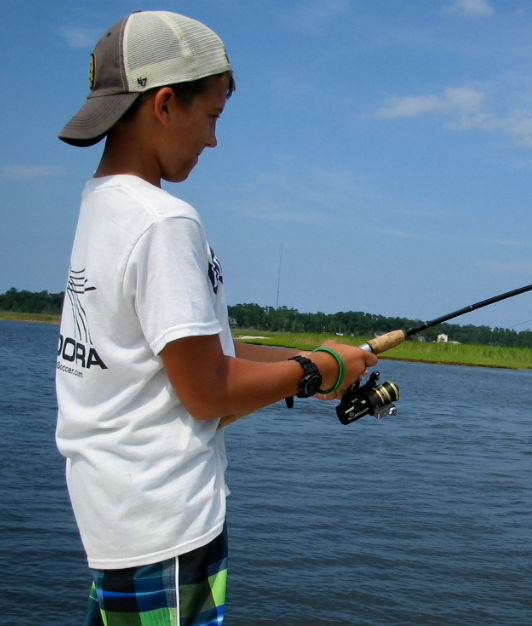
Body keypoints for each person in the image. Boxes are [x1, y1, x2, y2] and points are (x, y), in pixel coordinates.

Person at [54, 10, 378, 626]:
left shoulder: (101, 207)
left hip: (116, 521)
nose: (212, 140)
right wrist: (315, 371)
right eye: (211, 118)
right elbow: (206, 392)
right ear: (165, 104)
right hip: (167, 531)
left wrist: (314, 362)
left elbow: (198, 358)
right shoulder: (164, 221)